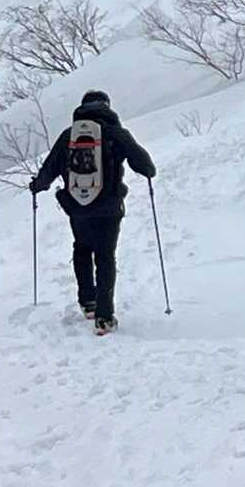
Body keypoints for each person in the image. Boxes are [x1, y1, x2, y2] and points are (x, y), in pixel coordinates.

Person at [30, 90, 156, 335]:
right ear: (107, 107)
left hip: (77, 207)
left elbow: (48, 171)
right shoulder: (116, 134)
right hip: (109, 207)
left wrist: (37, 186)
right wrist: (147, 172)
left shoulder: (69, 136)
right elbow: (145, 166)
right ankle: (104, 318)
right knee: (105, 256)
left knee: (82, 248)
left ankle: (88, 302)